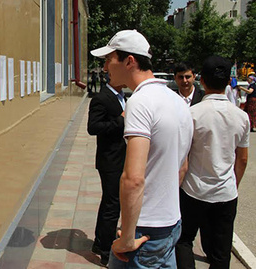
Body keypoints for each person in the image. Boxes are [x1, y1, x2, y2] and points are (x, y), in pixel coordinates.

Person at [90, 29, 193, 268]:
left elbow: (133, 179)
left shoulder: (140, 101)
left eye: (108, 59)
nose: (105, 68)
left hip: (143, 231)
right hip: (171, 224)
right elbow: (182, 167)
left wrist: (126, 238)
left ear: (129, 61)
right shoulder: (177, 101)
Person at [175, 56, 250, 269]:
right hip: (225, 193)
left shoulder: (192, 114)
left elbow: (183, 157)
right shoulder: (241, 117)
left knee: (184, 240)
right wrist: (231, 185)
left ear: (202, 81)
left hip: (193, 190)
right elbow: (242, 159)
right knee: (221, 250)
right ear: (228, 82)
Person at [87, 80, 127, 266]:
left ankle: (99, 242)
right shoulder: (101, 98)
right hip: (110, 161)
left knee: (109, 202)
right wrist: (120, 120)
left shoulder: (122, 96)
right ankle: (106, 252)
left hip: (121, 158)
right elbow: (93, 127)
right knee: (113, 206)